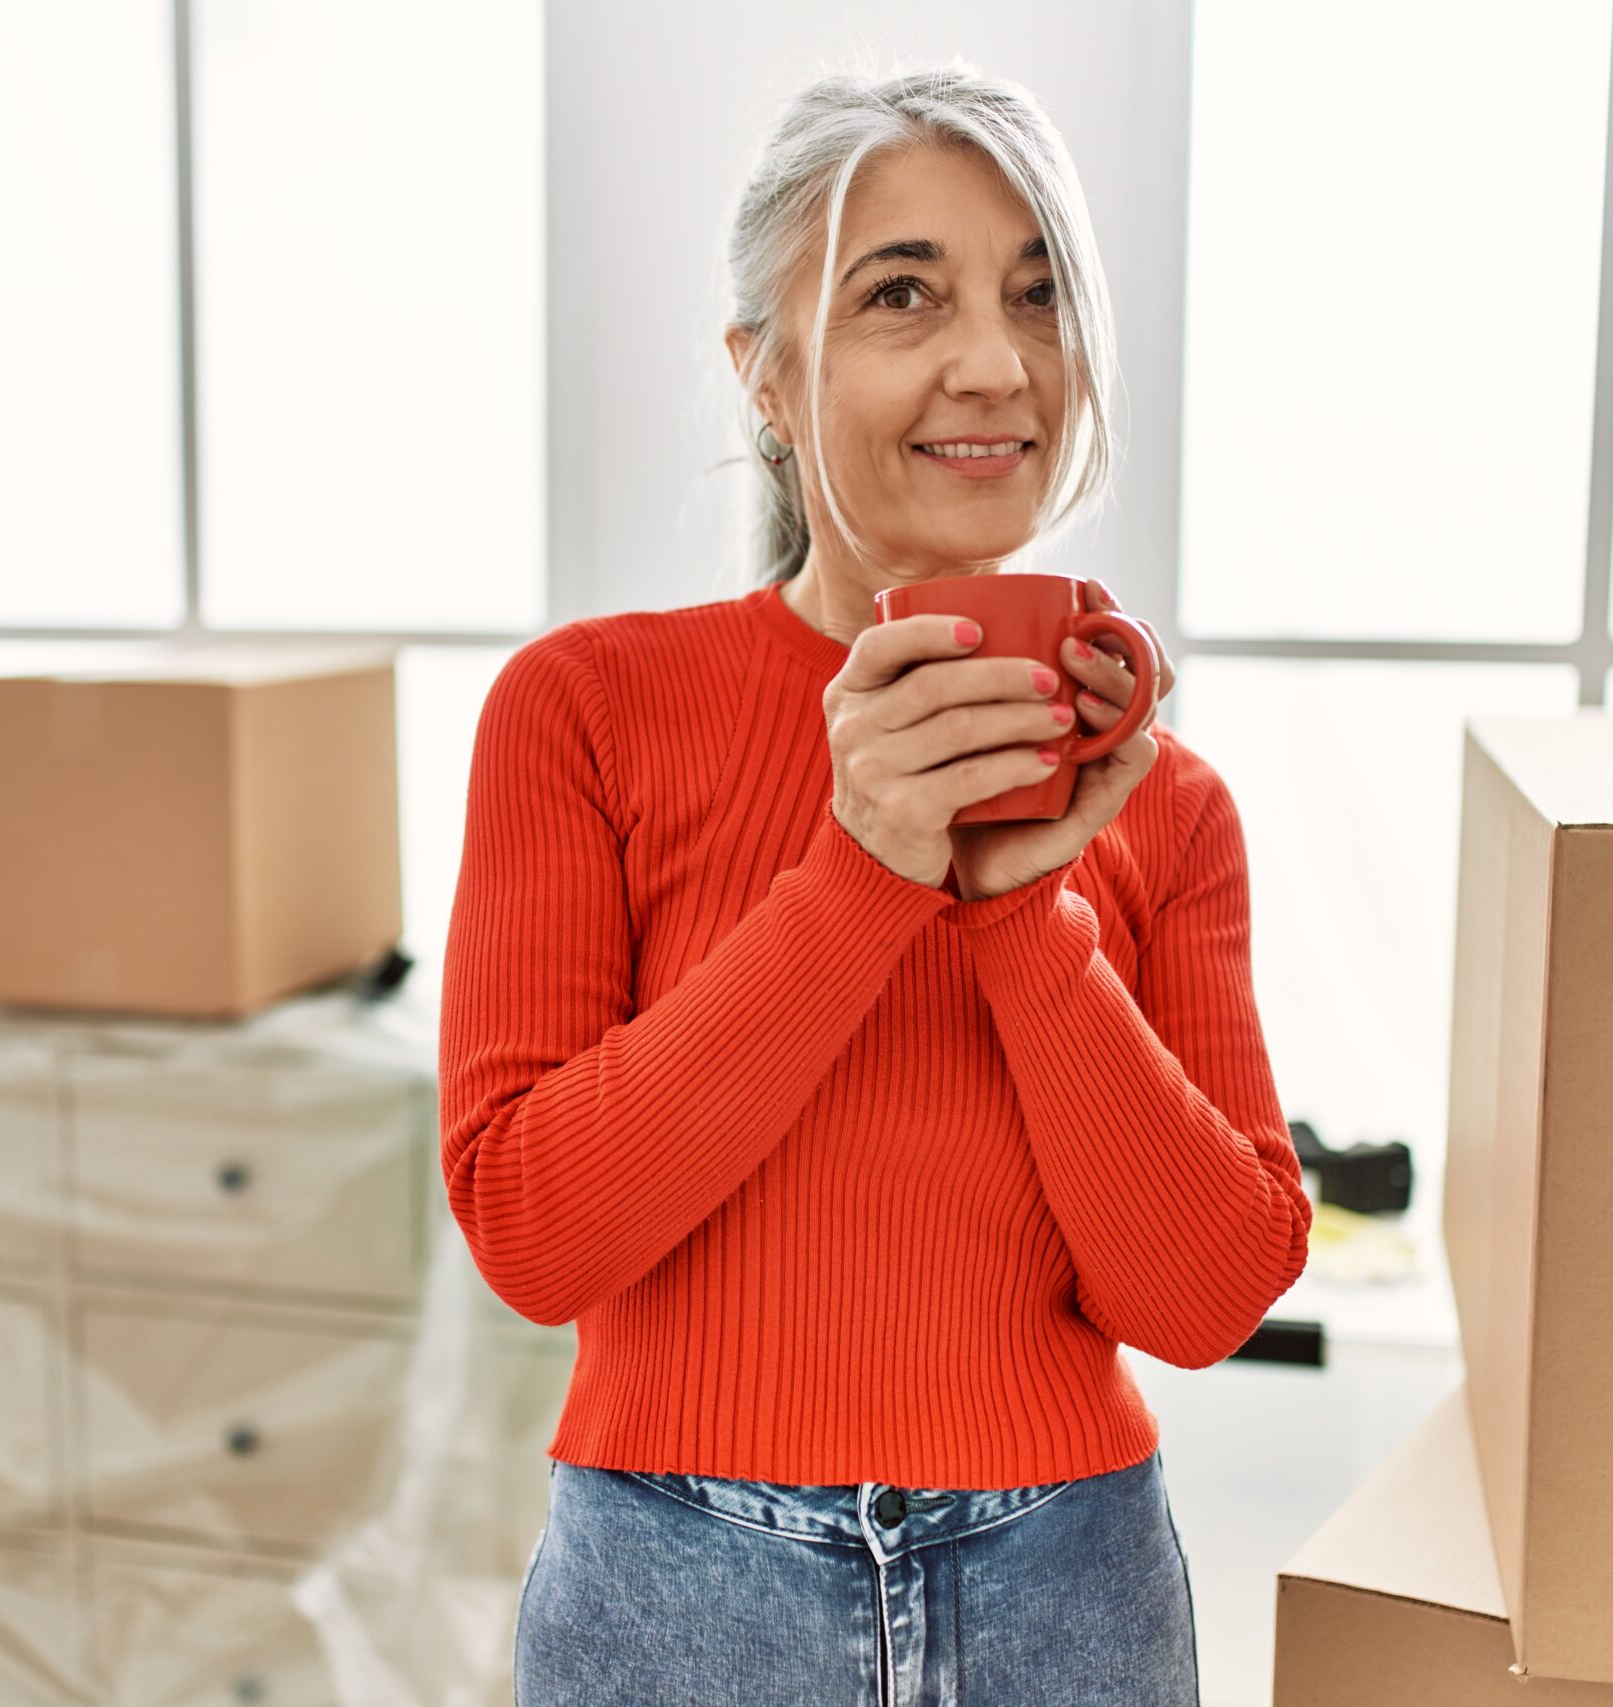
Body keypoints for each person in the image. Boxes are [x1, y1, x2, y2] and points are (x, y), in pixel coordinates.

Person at [439, 58, 1312, 1707]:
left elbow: (1203, 1296)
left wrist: (1021, 916)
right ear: (764, 378)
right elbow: (534, 1232)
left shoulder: (1167, 805)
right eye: (902, 294)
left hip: (1071, 1597)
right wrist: (861, 876)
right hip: (675, 1592)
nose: (995, 364)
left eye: (1038, 297)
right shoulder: (587, 712)